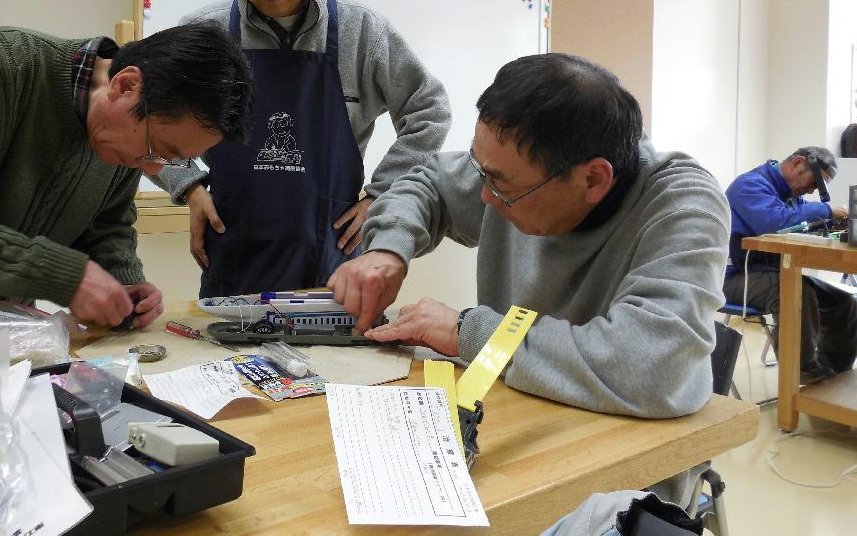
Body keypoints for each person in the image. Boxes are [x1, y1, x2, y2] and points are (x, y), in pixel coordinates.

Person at [328, 53, 731, 420]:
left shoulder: (683, 208)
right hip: (514, 410)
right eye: (479, 170)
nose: (484, 196)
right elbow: (428, 181)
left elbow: (652, 368)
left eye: (500, 184)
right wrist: (388, 250)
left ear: (593, 179)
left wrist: (466, 333)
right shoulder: (519, 166)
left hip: (620, 463)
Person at [0, 23, 252, 336]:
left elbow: (106, 226)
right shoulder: (1, 69)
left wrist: (124, 289)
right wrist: (68, 276)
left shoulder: (120, 142)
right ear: (126, 86)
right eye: (158, 149)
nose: (152, 168)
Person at [153, 0, 451, 299]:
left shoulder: (361, 33)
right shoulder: (208, 33)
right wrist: (187, 183)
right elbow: (144, 116)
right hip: (234, 269)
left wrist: (381, 194)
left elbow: (431, 110)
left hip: (332, 270)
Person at [723, 147, 857, 384]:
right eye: (814, 182)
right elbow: (775, 223)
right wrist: (826, 209)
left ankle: (833, 374)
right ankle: (802, 371)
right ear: (797, 163)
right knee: (794, 290)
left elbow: (799, 224)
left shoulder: (791, 195)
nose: (812, 190)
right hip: (733, 278)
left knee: (845, 303)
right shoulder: (749, 185)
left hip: (770, 275)